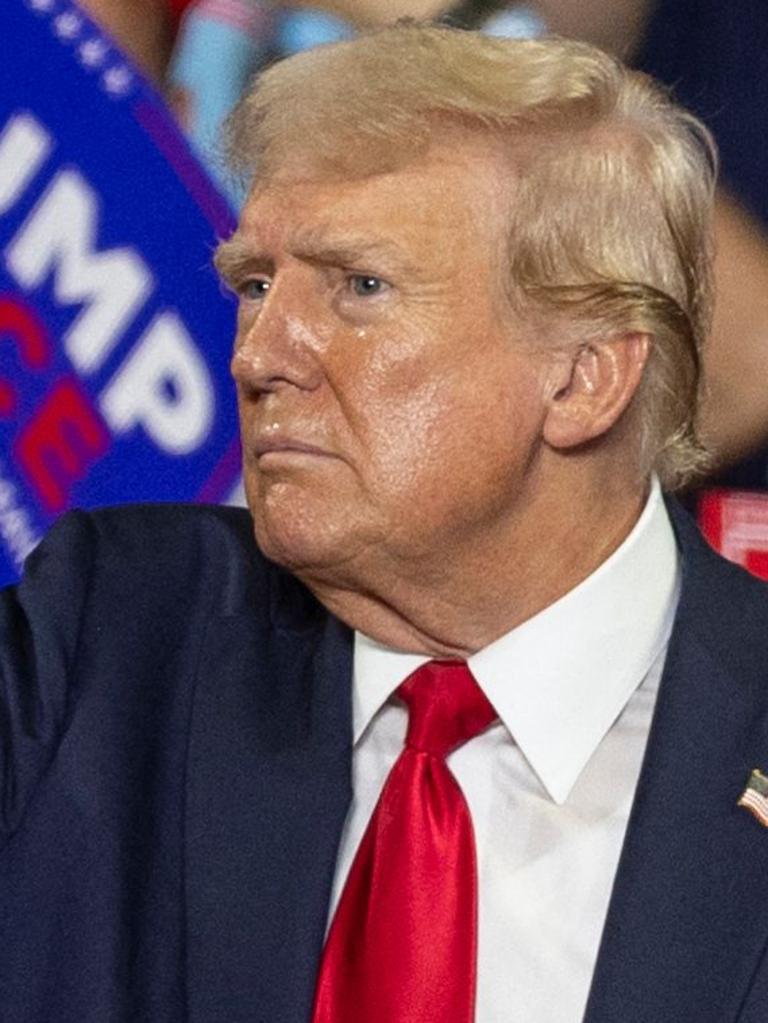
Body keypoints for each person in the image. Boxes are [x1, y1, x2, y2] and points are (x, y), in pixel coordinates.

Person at [2, 24, 768, 1023]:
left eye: (361, 287)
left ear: (585, 376)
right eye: (255, 285)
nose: (258, 354)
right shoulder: (109, 634)